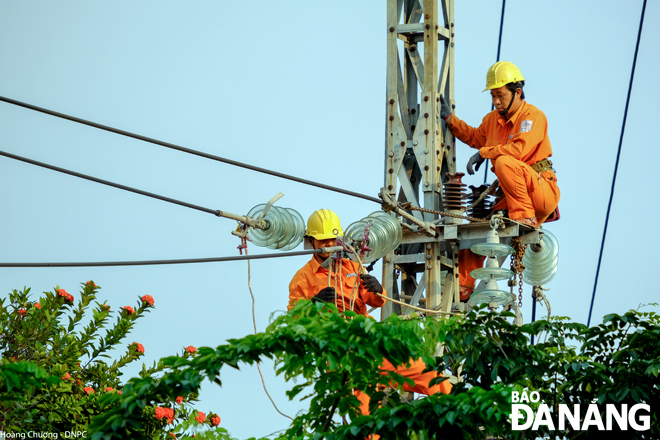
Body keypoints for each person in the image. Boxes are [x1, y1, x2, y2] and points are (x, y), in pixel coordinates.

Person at [288, 209, 452, 417]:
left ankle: (463, 414)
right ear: (310, 241)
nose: (329, 245)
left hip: (371, 341)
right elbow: (293, 322)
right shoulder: (303, 279)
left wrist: (378, 289)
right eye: (323, 241)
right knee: (365, 410)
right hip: (341, 350)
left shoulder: (352, 266)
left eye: (332, 239)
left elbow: (378, 301)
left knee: (427, 373)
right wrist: (313, 304)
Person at [440, 61, 560, 228]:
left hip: (539, 191)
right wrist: (449, 119)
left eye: (500, 95)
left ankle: (524, 218)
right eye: (492, 95)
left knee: (504, 162)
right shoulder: (492, 120)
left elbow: (518, 151)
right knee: (478, 229)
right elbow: (474, 137)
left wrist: (484, 153)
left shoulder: (532, 117)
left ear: (517, 92)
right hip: (513, 197)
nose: (496, 101)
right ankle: (465, 254)